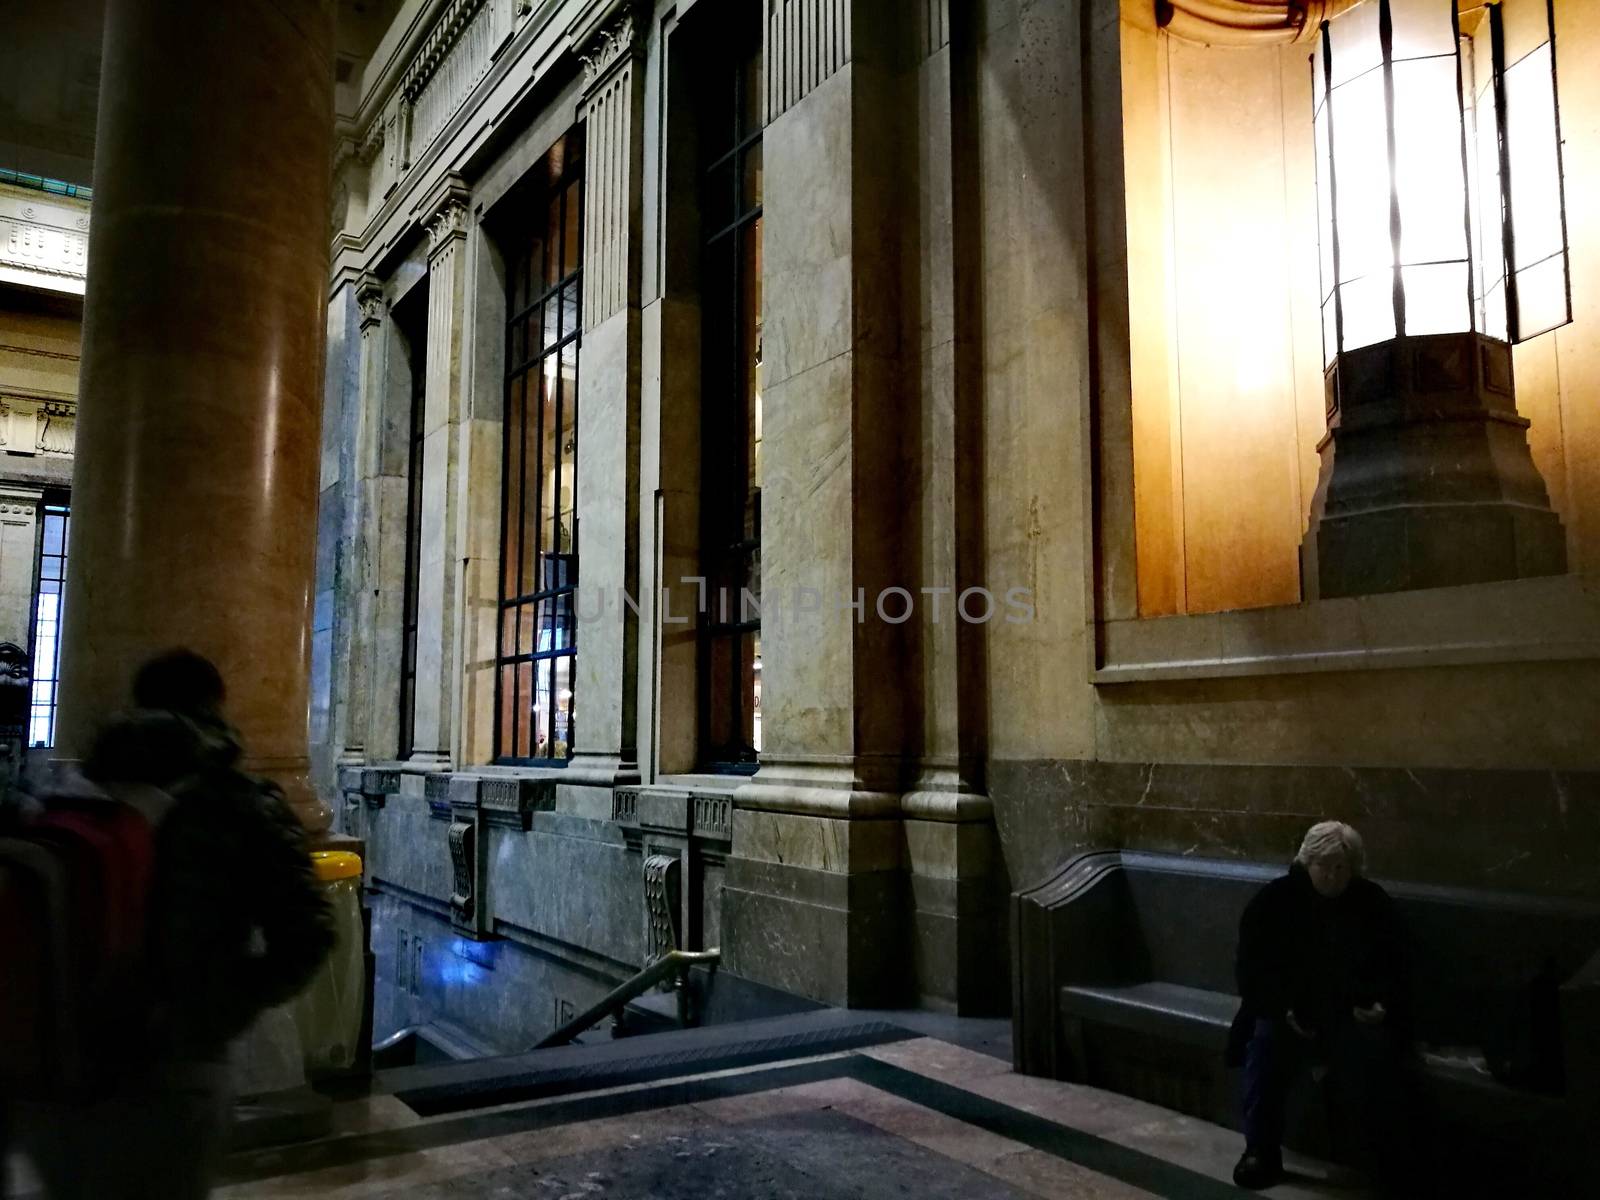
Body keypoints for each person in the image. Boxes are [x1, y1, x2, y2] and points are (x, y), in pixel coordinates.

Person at [12, 650, 334, 1199]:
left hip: (58, 1070)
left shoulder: (66, 795)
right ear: (216, 704)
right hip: (172, 1069)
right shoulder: (237, 802)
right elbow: (309, 933)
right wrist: (215, 1009)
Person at [1226, 821, 1411, 1193]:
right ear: (1306, 863)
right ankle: (1260, 1150)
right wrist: (1283, 1008)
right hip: (1287, 1011)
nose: (1332, 876)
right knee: (1265, 1046)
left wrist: (1383, 1003)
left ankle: (1382, 1160)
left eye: (1341, 867)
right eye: (1323, 866)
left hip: (1349, 1011)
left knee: (1379, 1056)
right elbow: (1252, 970)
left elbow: (1398, 964)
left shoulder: (1371, 903)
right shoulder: (1274, 902)